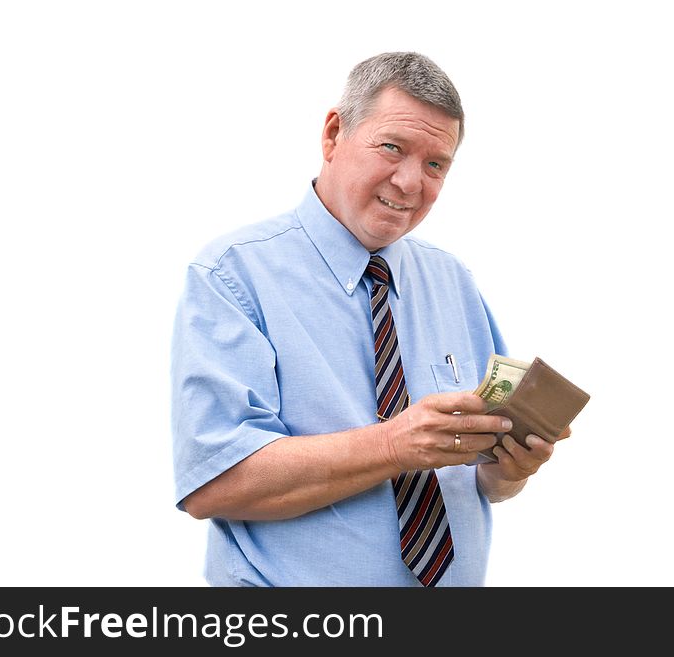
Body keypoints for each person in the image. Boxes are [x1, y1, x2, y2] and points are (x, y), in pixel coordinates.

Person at [170, 51, 568, 586]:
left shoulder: (453, 281)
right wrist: (393, 445)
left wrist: (507, 470)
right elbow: (213, 483)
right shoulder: (233, 275)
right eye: (392, 148)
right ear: (333, 134)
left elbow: (483, 481)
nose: (409, 183)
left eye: (435, 164)